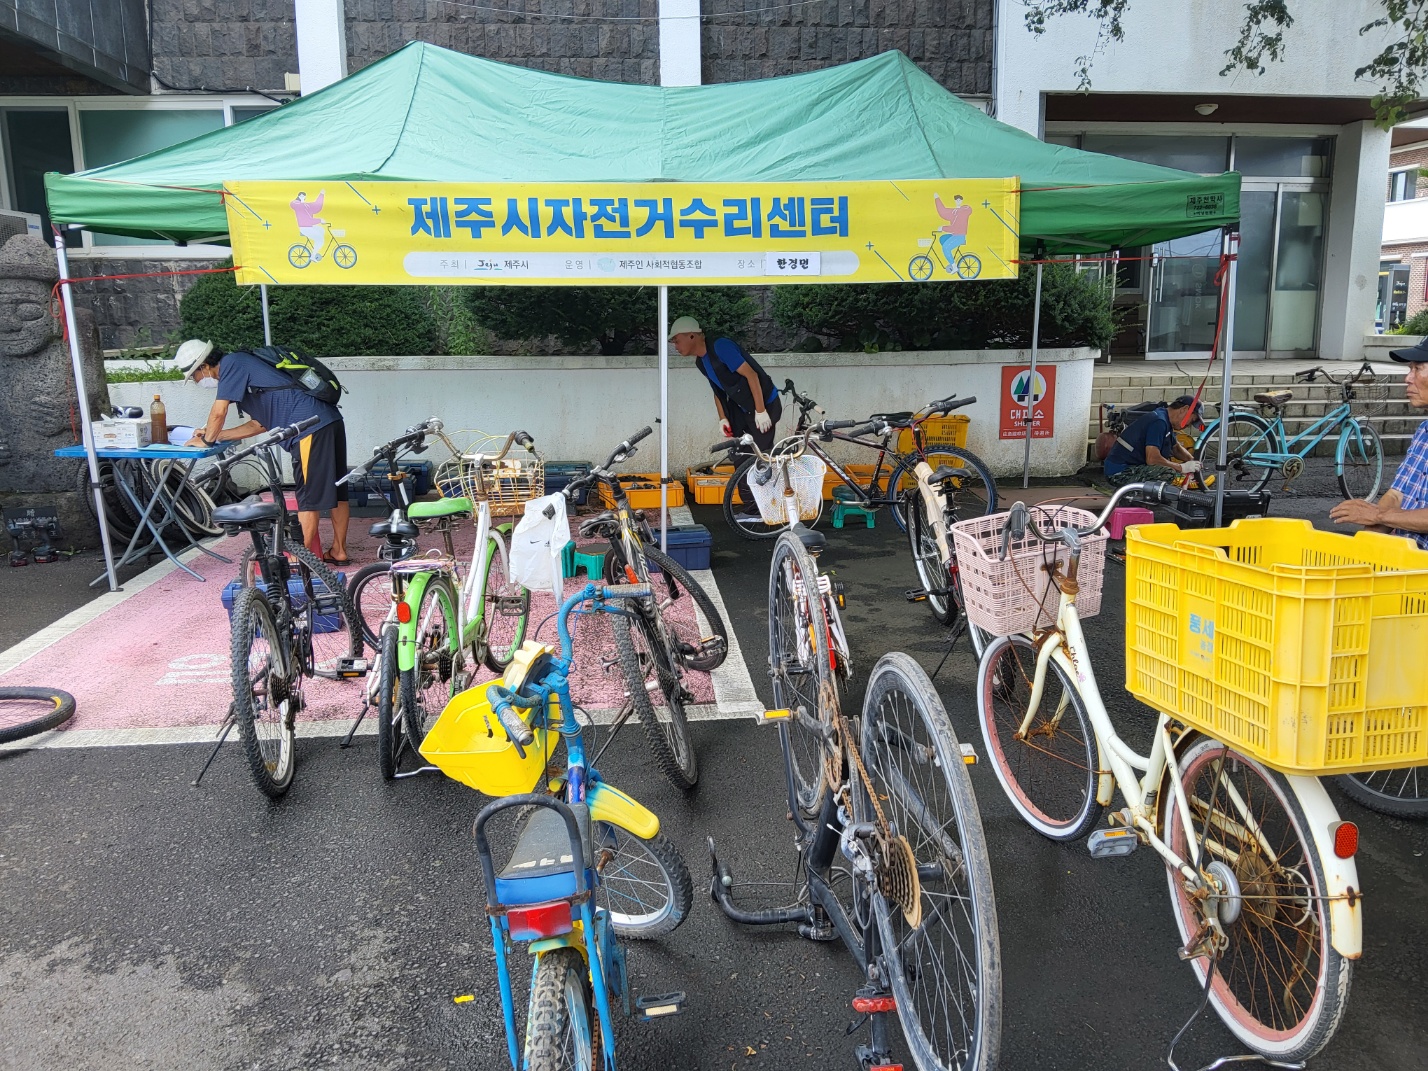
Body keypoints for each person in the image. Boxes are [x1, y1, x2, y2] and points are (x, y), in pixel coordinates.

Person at [175, 339, 351, 565]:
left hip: (310, 429)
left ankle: (302, 560)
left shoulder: (231, 364)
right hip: (328, 421)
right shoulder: (245, 367)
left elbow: (218, 412)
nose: (196, 382)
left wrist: (207, 441)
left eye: (194, 376)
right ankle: (339, 551)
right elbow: (259, 425)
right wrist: (217, 435)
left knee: (308, 497)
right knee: (337, 490)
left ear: (204, 367)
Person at [669, 316, 781, 517]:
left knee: (759, 457)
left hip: (765, 404)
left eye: (676, 340)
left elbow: (752, 376)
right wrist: (723, 418)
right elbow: (718, 391)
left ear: (692, 335)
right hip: (740, 409)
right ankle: (754, 510)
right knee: (739, 456)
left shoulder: (721, 347)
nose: (675, 346)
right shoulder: (701, 363)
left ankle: (772, 507)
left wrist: (761, 410)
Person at [1330, 339, 1428, 548]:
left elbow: (1382, 513)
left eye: (1418, 368)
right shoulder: (1424, 431)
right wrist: (1366, 549)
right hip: (1401, 564)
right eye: (1409, 369)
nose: (1408, 378)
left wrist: (1378, 515)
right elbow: (1396, 495)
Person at [1103, 394, 1202, 487]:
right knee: (1167, 472)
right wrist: (1182, 468)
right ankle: (1137, 497)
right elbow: (1152, 459)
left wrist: (1192, 461)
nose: (1188, 426)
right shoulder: (1159, 422)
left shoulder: (1165, 419)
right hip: (1119, 472)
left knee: (1169, 468)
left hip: (1126, 467)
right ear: (1184, 409)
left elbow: (1175, 448)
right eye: (1191, 421)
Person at [291, 190, 327, 259]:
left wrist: (321, 195)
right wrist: (319, 220)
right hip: (305, 227)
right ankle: (313, 256)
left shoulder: (307, 206)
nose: (302, 197)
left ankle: (315, 249)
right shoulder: (296, 205)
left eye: (304, 196)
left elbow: (317, 206)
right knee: (320, 240)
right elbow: (308, 220)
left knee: (321, 230)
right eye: (301, 195)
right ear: (298, 196)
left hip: (309, 226)